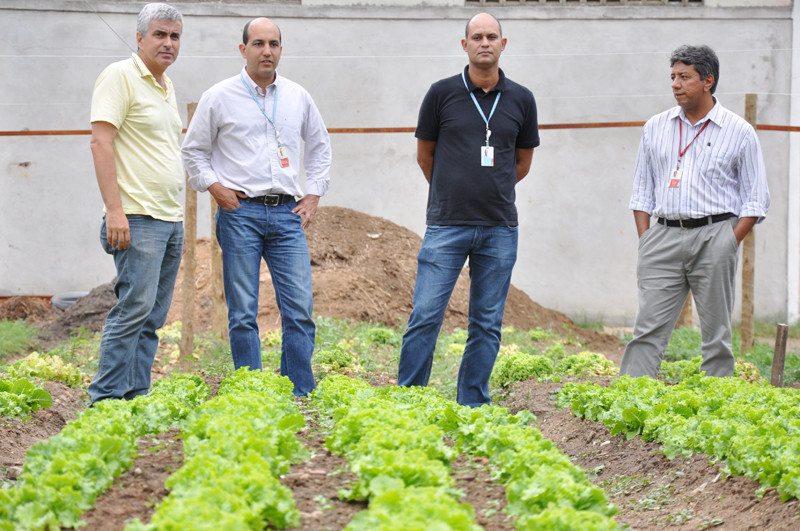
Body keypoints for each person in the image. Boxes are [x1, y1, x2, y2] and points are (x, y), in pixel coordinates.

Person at [182, 17, 331, 396]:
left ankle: (298, 389)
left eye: (274, 44)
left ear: (281, 49)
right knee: (243, 312)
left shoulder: (298, 96)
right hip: (240, 213)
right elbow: (193, 152)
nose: (267, 51)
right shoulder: (219, 96)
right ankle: (252, 390)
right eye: (259, 44)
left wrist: (312, 194)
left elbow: (319, 146)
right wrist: (216, 189)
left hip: (287, 214)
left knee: (299, 310)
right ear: (243, 49)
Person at [397, 13, 539, 407]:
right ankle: (409, 399)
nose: (484, 42)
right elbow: (426, 157)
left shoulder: (522, 99)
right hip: (446, 225)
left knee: (487, 324)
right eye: (476, 36)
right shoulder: (441, 94)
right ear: (465, 45)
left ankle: (473, 403)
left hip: (499, 228)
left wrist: (490, 190)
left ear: (503, 43)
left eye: (491, 36)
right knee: (425, 315)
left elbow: (522, 163)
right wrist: (451, 192)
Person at [621, 45, 770, 378]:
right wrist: (647, 239)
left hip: (715, 236)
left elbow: (756, 199)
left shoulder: (739, 132)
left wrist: (728, 241)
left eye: (684, 77)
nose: (675, 84)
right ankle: (629, 399)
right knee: (647, 330)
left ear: (708, 81)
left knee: (716, 335)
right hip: (662, 237)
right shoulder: (655, 128)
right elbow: (642, 191)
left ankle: (717, 409)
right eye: (673, 76)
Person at [87, 3, 185, 404]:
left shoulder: (165, 85)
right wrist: (115, 210)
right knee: (133, 310)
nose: (168, 43)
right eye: (160, 34)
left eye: (175, 36)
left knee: (152, 318)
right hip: (138, 216)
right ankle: (105, 400)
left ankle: (134, 396)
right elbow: (100, 142)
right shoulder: (120, 76)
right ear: (140, 37)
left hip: (169, 218)